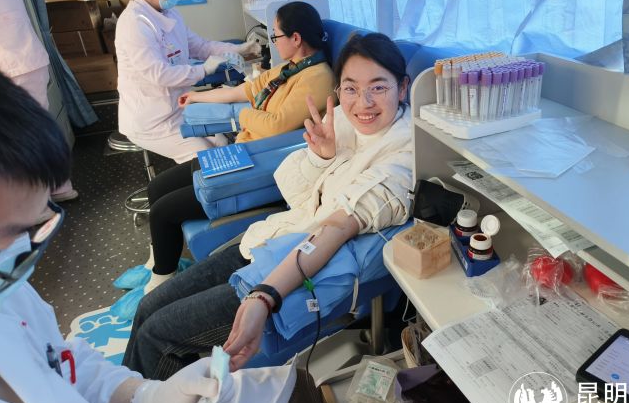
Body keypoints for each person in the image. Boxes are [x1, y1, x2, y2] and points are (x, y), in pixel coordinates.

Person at [0, 61, 317, 403]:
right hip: (264, 239)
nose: (22, 252)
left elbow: (65, 366)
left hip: (282, 246)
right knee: (153, 308)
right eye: (4, 237)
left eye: (34, 226)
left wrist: (146, 402)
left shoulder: (5, 293)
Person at [123, 33, 413, 379]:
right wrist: (320, 158)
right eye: (351, 88)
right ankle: (152, 397)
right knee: (148, 307)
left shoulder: (404, 156)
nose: (363, 102)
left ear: (403, 88)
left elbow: (336, 228)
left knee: (156, 337)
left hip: (287, 274)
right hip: (269, 241)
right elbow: (294, 193)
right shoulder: (342, 122)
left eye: (378, 87)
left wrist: (264, 295)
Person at [115, 1, 335, 298]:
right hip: (240, 153)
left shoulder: (318, 78)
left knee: (163, 212)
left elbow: (276, 125)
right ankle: (159, 263)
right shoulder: (290, 69)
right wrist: (197, 97)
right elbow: (246, 90)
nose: (273, 42)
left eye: (276, 35)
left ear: (296, 38)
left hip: (255, 167)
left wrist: (241, 115)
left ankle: (158, 285)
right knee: (157, 188)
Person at [115, 0, 259, 163]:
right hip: (152, 120)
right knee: (209, 157)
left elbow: (200, 46)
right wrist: (203, 70)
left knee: (222, 143)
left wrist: (238, 49)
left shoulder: (170, 13)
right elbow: (160, 74)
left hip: (178, 107)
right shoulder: (134, 24)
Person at [0, 0, 78, 202]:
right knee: (36, 132)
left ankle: (39, 203)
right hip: (19, 61)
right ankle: (57, 189)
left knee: (21, 139)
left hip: (12, 65)